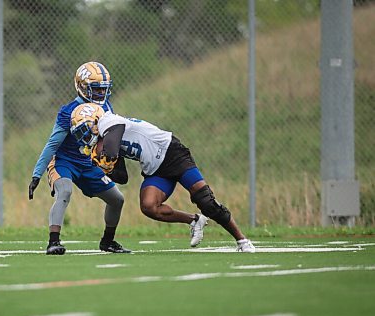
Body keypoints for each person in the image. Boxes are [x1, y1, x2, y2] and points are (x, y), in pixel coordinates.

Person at [69, 103, 255, 252]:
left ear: (94, 121)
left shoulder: (108, 122)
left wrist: (107, 155)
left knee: (205, 200)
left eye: (84, 130)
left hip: (172, 153)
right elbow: (123, 177)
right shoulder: (106, 141)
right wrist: (106, 168)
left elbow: (113, 136)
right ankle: (194, 220)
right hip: (155, 170)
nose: (84, 137)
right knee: (149, 207)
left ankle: (242, 240)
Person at [28, 62, 131, 255]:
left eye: (103, 89)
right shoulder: (68, 111)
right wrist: (37, 174)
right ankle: (53, 242)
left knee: (117, 199)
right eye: (96, 89)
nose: (101, 94)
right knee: (65, 192)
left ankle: (108, 242)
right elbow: (53, 144)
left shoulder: (106, 107)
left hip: (88, 163)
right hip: (64, 161)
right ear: (82, 87)